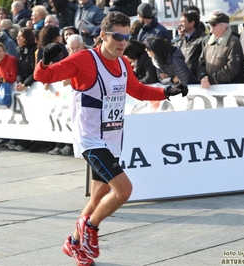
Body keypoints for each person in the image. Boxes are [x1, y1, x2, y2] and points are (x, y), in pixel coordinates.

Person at [33, 11, 188, 265]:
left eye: (127, 37)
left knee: (98, 196)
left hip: (113, 138)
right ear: (103, 35)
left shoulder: (123, 62)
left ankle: (73, 243)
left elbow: (137, 90)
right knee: (124, 190)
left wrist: (167, 92)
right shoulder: (84, 59)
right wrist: (43, 60)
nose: (123, 42)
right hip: (91, 139)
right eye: (117, 36)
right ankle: (89, 228)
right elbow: (44, 77)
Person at [198, 10, 244, 88]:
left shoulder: (234, 42)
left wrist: (211, 80)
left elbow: (232, 68)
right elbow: (201, 62)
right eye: (209, 23)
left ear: (224, 26)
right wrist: (203, 76)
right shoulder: (208, 41)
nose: (210, 25)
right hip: (209, 87)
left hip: (228, 90)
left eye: (213, 24)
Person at [178, 9, 206, 78]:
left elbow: (204, 62)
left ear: (192, 23)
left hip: (198, 81)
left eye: (183, 22)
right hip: (185, 79)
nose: (180, 24)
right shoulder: (183, 40)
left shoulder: (203, 39)